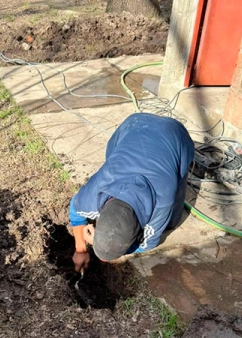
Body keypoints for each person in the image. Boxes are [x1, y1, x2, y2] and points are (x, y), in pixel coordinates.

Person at [70, 113, 195, 273]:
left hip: (176, 135)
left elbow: (148, 243)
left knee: (171, 221)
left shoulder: (162, 203)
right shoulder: (99, 187)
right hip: (133, 125)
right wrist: (80, 249)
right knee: (113, 156)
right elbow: (75, 209)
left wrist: (115, 249)